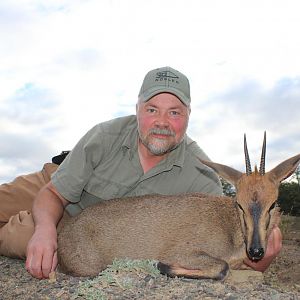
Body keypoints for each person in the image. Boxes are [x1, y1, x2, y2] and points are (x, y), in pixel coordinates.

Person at [0, 66, 282, 279]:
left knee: (19, 237)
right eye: (152, 109)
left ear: (188, 116)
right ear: (137, 110)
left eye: (174, 112)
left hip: (93, 225)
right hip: (57, 185)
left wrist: (259, 258)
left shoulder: (202, 172)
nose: (161, 121)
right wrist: (45, 228)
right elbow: (53, 193)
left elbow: (223, 234)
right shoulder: (105, 135)